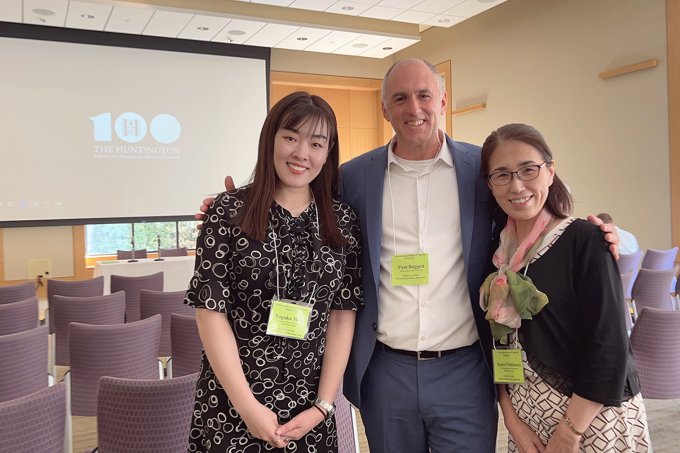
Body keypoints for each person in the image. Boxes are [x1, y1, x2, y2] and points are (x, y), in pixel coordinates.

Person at [197, 58, 620, 453]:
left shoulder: (481, 168)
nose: (413, 107)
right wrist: (232, 205)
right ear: (385, 108)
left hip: (464, 367)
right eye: (399, 98)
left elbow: (531, 213)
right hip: (386, 370)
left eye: (423, 95)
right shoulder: (354, 178)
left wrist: (612, 234)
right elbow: (293, 198)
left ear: (442, 101)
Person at [185, 91, 363, 453]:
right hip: (233, 404)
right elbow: (210, 312)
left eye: (316, 143)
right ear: (271, 140)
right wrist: (247, 407)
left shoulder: (341, 220)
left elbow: (342, 317)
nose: (302, 153)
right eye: (291, 137)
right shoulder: (228, 211)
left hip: (308, 408)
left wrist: (323, 406)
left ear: (328, 153)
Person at [480, 123, 650, 452]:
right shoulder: (499, 252)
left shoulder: (583, 239)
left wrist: (569, 432)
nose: (517, 186)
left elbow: (609, 346)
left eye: (528, 170)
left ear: (550, 171)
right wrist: (513, 422)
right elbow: (497, 346)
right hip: (529, 423)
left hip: (592, 421)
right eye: (501, 175)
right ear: (490, 184)